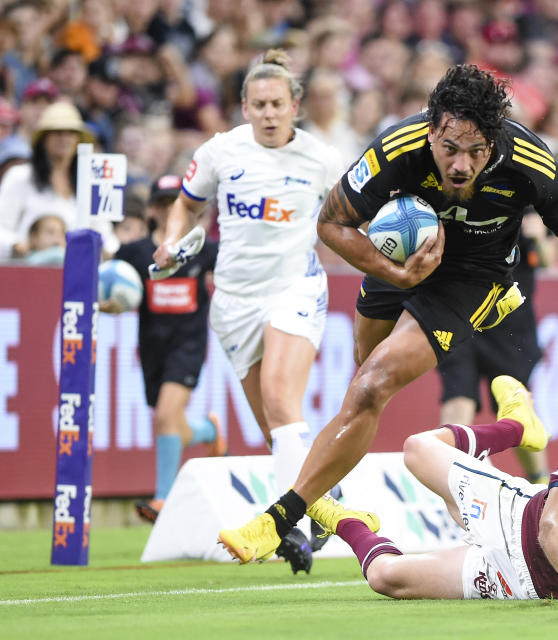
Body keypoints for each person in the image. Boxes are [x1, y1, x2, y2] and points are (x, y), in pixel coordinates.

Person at [217, 64, 558, 566]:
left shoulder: (530, 161)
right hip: (398, 260)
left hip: (473, 278)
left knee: (373, 384)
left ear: (494, 143)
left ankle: (278, 520)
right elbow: (332, 223)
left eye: (476, 152)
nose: (461, 165)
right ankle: (517, 427)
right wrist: (396, 272)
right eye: (449, 148)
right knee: (362, 384)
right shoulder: (396, 147)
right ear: (431, 132)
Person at [152, 50, 344, 572]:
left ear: (295, 106)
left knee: (284, 405)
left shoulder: (322, 160)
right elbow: (187, 203)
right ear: (242, 107)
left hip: (294, 290)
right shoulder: (220, 152)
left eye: (277, 104)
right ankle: (321, 494)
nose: (268, 113)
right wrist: (171, 242)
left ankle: (287, 523)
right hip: (234, 301)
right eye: (257, 104)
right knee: (274, 428)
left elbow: (358, 211)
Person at [307, 376, 558, 604]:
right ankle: (517, 427)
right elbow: (552, 527)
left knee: (384, 577)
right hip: (511, 515)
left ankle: (348, 522)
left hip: (519, 582)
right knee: (417, 448)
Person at [104, 175, 223, 523]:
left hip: (188, 344)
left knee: (166, 413)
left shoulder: (205, 249)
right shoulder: (135, 253)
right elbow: (112, 289)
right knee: (169, 422)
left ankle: (162, 499)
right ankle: (208, 431)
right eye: (162, 202)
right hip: (152, 348)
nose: (170, 208)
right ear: (153, 210)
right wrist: (108, 304)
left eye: (177, 202)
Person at [437, 226, 550, 483]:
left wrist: (537, 236)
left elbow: (546, 255)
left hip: (509, 316)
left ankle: (542, 486)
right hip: (458, 305)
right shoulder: (450, 191)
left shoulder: (534, 194)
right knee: (458, 396)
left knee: (514, 402)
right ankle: (446, 479)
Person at [0, 100, 118, 259]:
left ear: (78, 140)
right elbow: (2, 228)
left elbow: (103, 231)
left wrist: (107, 249)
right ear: (44, 139)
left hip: (79, 269)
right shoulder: (20, 176)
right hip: (28, 269)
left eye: (70, 132)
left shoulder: (89, 183)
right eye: (57, 132)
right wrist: (18, 245)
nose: (64, 138)